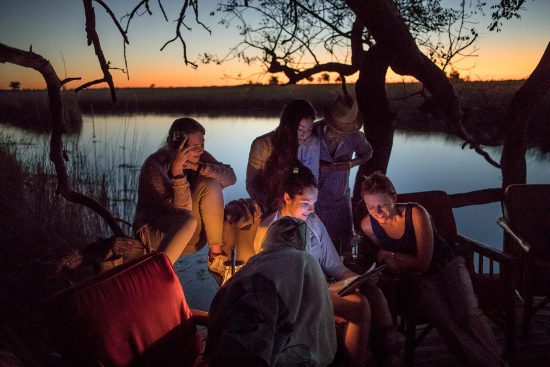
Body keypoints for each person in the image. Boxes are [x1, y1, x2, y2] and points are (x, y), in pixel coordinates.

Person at [253, 165, 402, 367]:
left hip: (322, 286)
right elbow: (277, 286)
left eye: (314, 203)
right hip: (297, 298)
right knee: (358, 303)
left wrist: (358, 278)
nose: (312, 210)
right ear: (287, 197)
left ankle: (388, 356)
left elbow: (334, 265)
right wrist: (331, 287)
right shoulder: (270, 230)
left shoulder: (313, 222)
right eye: (306, 203)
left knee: (373, 292)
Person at [360, 172, 505, 367]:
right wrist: (391, 259)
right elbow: (386, 259)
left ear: (393, 198)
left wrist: (392, 255)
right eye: (370, 207)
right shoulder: (368, 226)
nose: (377, 211)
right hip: (419, 280)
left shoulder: (416, 213)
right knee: (446, 322)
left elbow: (423, 261)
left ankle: (495, 362)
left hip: (448, 266)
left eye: (382, 205)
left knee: (468, 314)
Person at [205, 217, 337, 367]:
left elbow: (219, 305)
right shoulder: (305, 262)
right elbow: (315, 318)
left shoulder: (252, 264)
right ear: (303, 240)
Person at [133, 117, 236, 264]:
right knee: (187, 219)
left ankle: (216, 258)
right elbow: (182, 213)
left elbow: (230, 178)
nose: (200, 150)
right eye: (194, 146)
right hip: (156, 235)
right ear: (176, 146)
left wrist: (199, 167)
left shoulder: (199, 158)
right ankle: (159, 272)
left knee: (211, 183)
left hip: (192, 235)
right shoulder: (155, 165)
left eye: (202, 144)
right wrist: (177, 171)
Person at [313, 93, 373, 255]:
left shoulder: (355, 137)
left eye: (344, 132)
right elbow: (293, 169)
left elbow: (368, 153)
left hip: (340, 203)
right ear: (327, 121)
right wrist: (313, 167)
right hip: (311, 205)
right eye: (334, 130)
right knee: (315, 249)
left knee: (344, 251)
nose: (339, 137)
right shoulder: (309, 135)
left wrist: (350, 164)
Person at [246, 99, 317, 216]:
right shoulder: (263, 145)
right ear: (288, 126)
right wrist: (270, 206)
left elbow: (309, 182)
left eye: (309, 130)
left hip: (297, 207)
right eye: (300, 129)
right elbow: (252, 184)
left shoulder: (310, 145)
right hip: (266, 205)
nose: (304, 135)